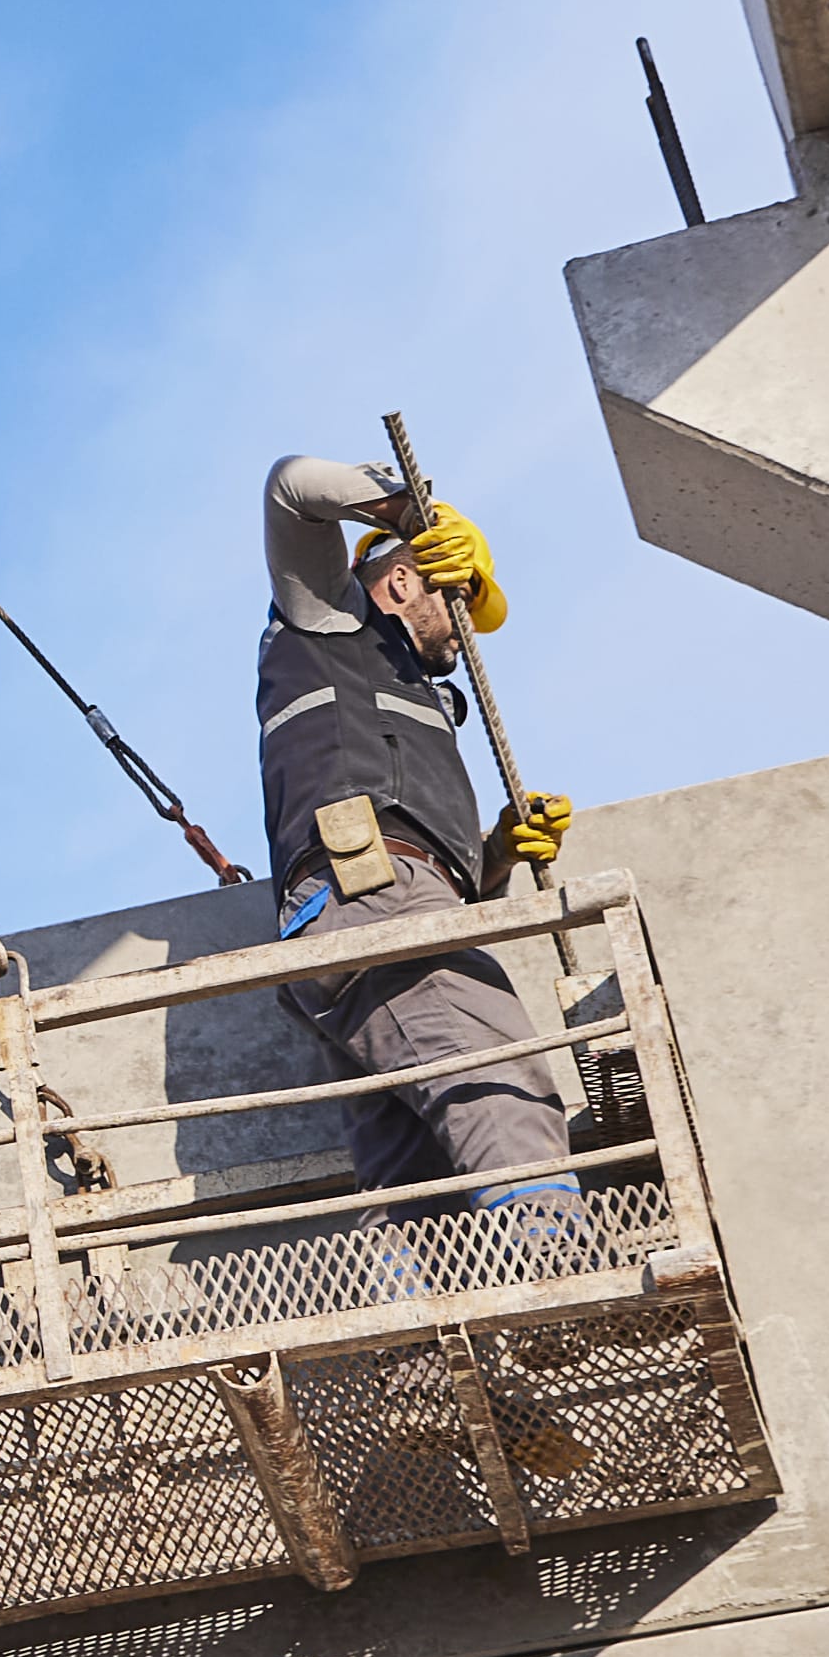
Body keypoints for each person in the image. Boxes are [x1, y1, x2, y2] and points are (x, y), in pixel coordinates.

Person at [254, 454, 584, 1205]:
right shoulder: (332, 622)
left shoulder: (413, 696)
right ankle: (561, 1269)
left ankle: (422, 1314)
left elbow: (442, 886)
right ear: (405, 578)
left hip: (357, 914)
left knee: (413, 1177)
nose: (467, 632)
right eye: (460, 593)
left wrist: (494, 856)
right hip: (373, 898)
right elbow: (292, 484)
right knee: (503, 1088)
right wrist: (407, 514)